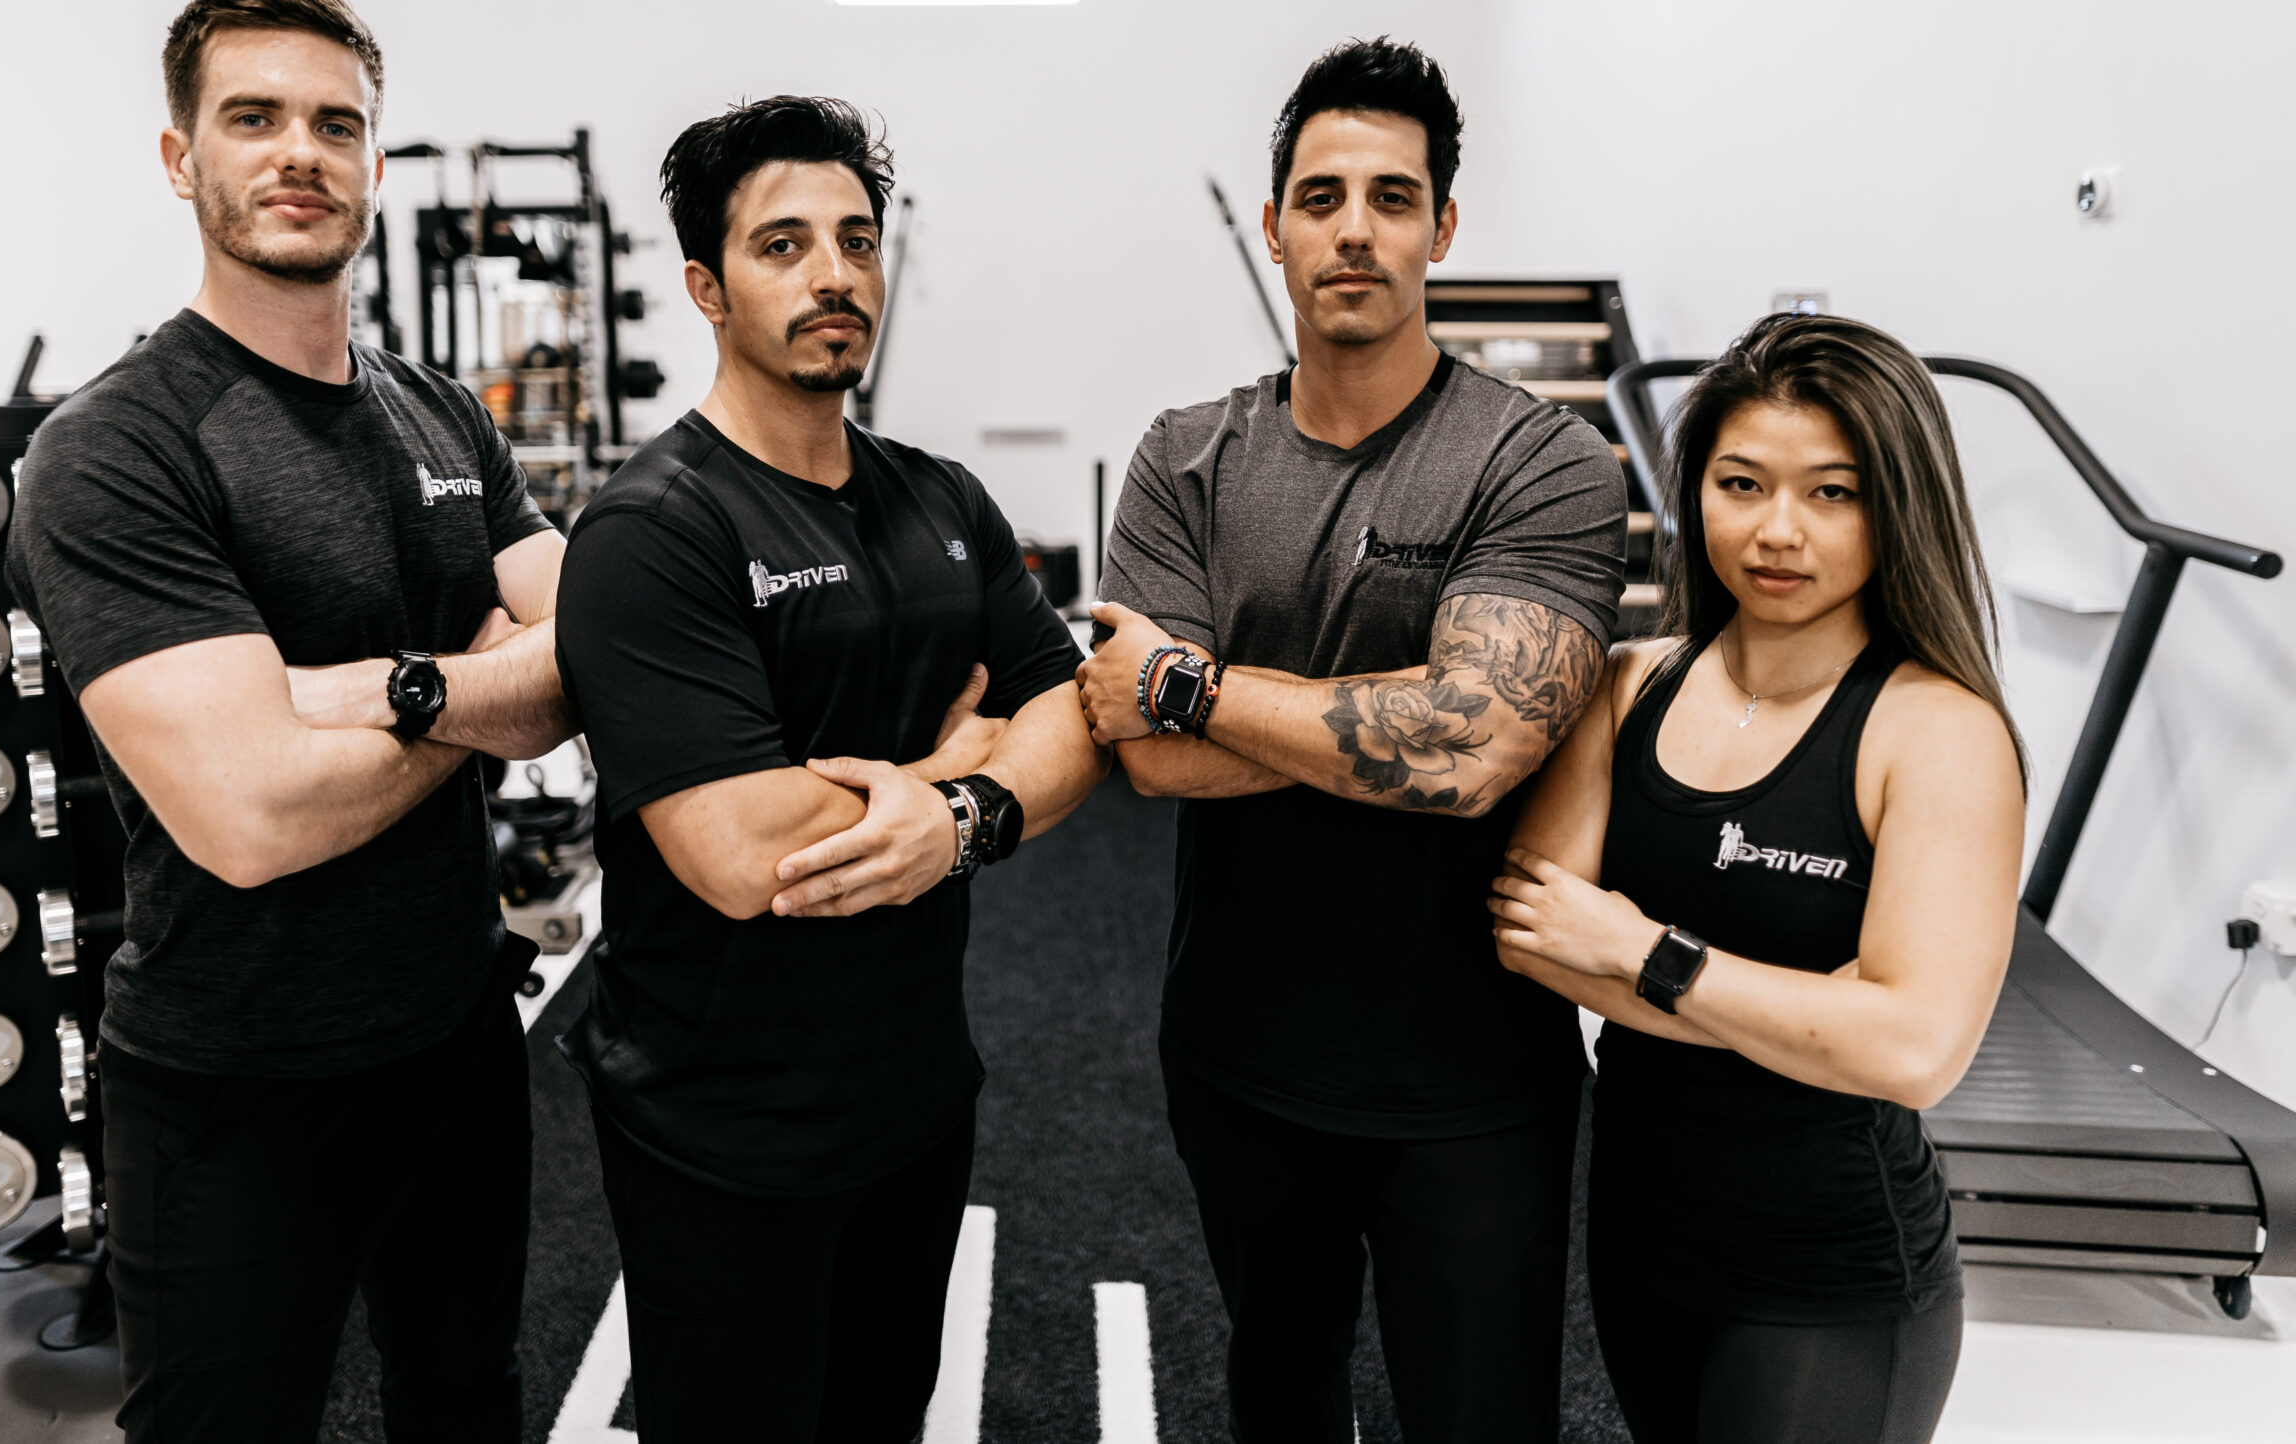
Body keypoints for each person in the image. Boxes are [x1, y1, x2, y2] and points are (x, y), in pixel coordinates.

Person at [4, 2, 573, 1438]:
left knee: (466, 1397)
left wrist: (354, 693)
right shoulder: (115, 447)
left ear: (376, 163)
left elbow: (589, 649)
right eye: (252, 118)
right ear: (179, 158)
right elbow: (250, 818)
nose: (299, 153)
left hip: (455, 1033)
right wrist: (472, 682)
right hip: (233, 1078)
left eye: (336, 124)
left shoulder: (445, 416)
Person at [1078, 37, 1627, 1443]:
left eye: (1393, 198)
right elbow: (1144, 755)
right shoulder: (1185, 456)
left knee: (1479, 1413)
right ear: (1275, 228)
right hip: (1238, 1046)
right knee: (1280, 1389)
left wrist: (1192, 684)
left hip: (1470, 1073)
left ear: (1443, 227)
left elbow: (1468, 751)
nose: (1354, 231)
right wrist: (1386, 709)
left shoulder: (1542, 460)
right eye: (1321, 198)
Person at [553, 96, 1106, 1442]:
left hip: (913, 1092)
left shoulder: (944, 499)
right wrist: (955, 756)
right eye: (783, 244)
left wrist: (961, 811)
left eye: (856, 241)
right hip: (721, 1125)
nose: (833, 274)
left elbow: (1074, 714)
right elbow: (743, 853)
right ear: (707, 286)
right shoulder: (652, 532)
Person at [1488, 312, 2024, 1444]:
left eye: (1833, 493)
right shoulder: (1631, 686)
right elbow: (1533, 933)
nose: (1778, 530)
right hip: (1643, 1239)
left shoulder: (1935, 731)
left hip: (1829, 1272)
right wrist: (1807, 1013)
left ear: (1898, 504)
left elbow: (1912, 1051)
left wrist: (1645, 952)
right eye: (1741, 484)